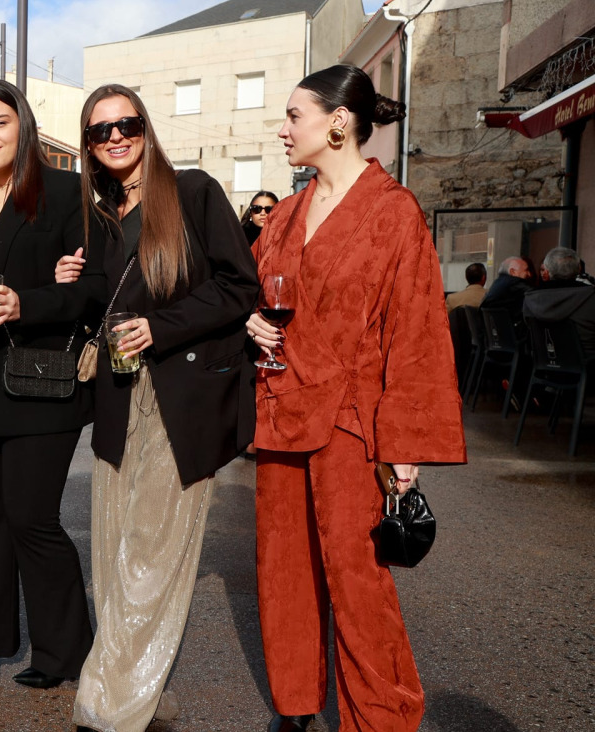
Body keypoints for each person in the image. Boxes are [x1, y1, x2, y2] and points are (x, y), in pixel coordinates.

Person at [245, 65, 465, 732]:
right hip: (281, 406)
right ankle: (297, 703)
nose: (282, 129)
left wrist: (403, 446)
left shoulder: (392, 210)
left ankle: (384, 717)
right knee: (283, 571)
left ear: (339, 122)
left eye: (293, 116)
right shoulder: (282, 214)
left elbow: (416, 326)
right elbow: (255, 295)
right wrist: (249, 321)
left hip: (350, 421)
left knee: (357, 580)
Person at [53, 85, 258, 731]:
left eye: (126, 124)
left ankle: (110, 707)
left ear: (145, 127)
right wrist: (70, 280)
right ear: (88, 146)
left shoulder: (192, 193)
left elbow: (239, 286)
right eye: (99, 131)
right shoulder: (99, 215)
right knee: (116, 556)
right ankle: (144, 692)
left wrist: (161, 329)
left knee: (154, 551)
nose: (114, 137)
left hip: (181, 399)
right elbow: (98, 299)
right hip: (117, 400)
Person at [0, 78, 103, 698]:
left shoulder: (63, 192)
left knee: (32, 517)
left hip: (42, 383)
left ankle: (65, 649)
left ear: (22, 126)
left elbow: (91, 288)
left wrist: (26, 303)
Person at [522, 246, 595, 355]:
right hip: (586, 363)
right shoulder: (590, 295)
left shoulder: (531, 297)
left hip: (545, 362)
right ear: (579, 268)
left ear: (546, 271)